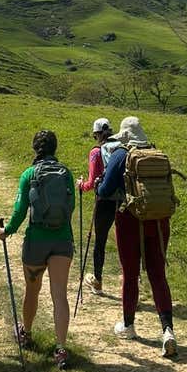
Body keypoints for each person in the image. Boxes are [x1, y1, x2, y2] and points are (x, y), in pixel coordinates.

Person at [97, 116, 177, 357]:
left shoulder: (122, 154)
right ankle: (167, 330)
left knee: (130, 274)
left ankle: (129, 325)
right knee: (158, 275)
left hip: (130, 219)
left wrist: (100, 183)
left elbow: (105, 190)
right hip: (160, 219)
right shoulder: (157, 153)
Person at [0, 130, 75, 370]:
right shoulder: (66, 174)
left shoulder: (29, 174)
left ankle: (26, 333)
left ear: (35, 149)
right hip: (62, 239)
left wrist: (7, 230)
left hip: (36, 240)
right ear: (55, 148)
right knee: (59, 295)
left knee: (32, 289)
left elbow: (21, 208)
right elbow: (70, 206)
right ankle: (61, 349)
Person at [75, 118, 117, 295]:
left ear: (97, 135)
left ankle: (97, 281)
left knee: (99, 241)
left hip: (104, 200)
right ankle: (132, 282)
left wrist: (81, 185)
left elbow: (92, 182)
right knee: (125, 242)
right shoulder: (120, 148)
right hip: (123, 200)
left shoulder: (95, 152)